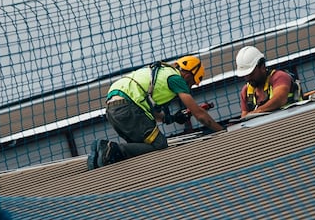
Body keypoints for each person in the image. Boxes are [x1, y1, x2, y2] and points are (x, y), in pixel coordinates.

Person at [87, 56, 224, 170]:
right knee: (160, 144)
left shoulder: (161, 72)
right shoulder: (176, 79)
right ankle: (111, 149)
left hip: (113, 109)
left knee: (142, 146)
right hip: (128, 107)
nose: (190, 87)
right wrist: (221, 131)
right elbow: (199, 114)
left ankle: (99, 155)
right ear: (188, 74)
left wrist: (170, 118)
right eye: (192, 83)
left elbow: (148, 108)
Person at [235, 46, 302, 118]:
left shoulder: (279, 77)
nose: (248, 78)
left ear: (262, 66)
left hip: (294, 118)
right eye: (245, 75)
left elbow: (279, 99)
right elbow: (244, 117)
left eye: (251, 74)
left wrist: (256, 112)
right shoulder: (246, 91)